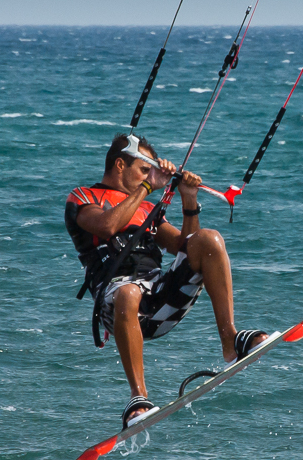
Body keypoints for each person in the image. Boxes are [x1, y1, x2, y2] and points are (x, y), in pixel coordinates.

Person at [65, 133, 268, 429]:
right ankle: (138, 399)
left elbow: (186, 245)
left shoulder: (147, 209)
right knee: (127, 292)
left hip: (159, 301)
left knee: (209, 240)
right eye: (144, 170)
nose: (150, 177)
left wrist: (189, 199)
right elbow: (107, 226)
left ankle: (230, 340)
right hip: (117, 304)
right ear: (120, 165)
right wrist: (148, 187)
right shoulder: (83, 197)